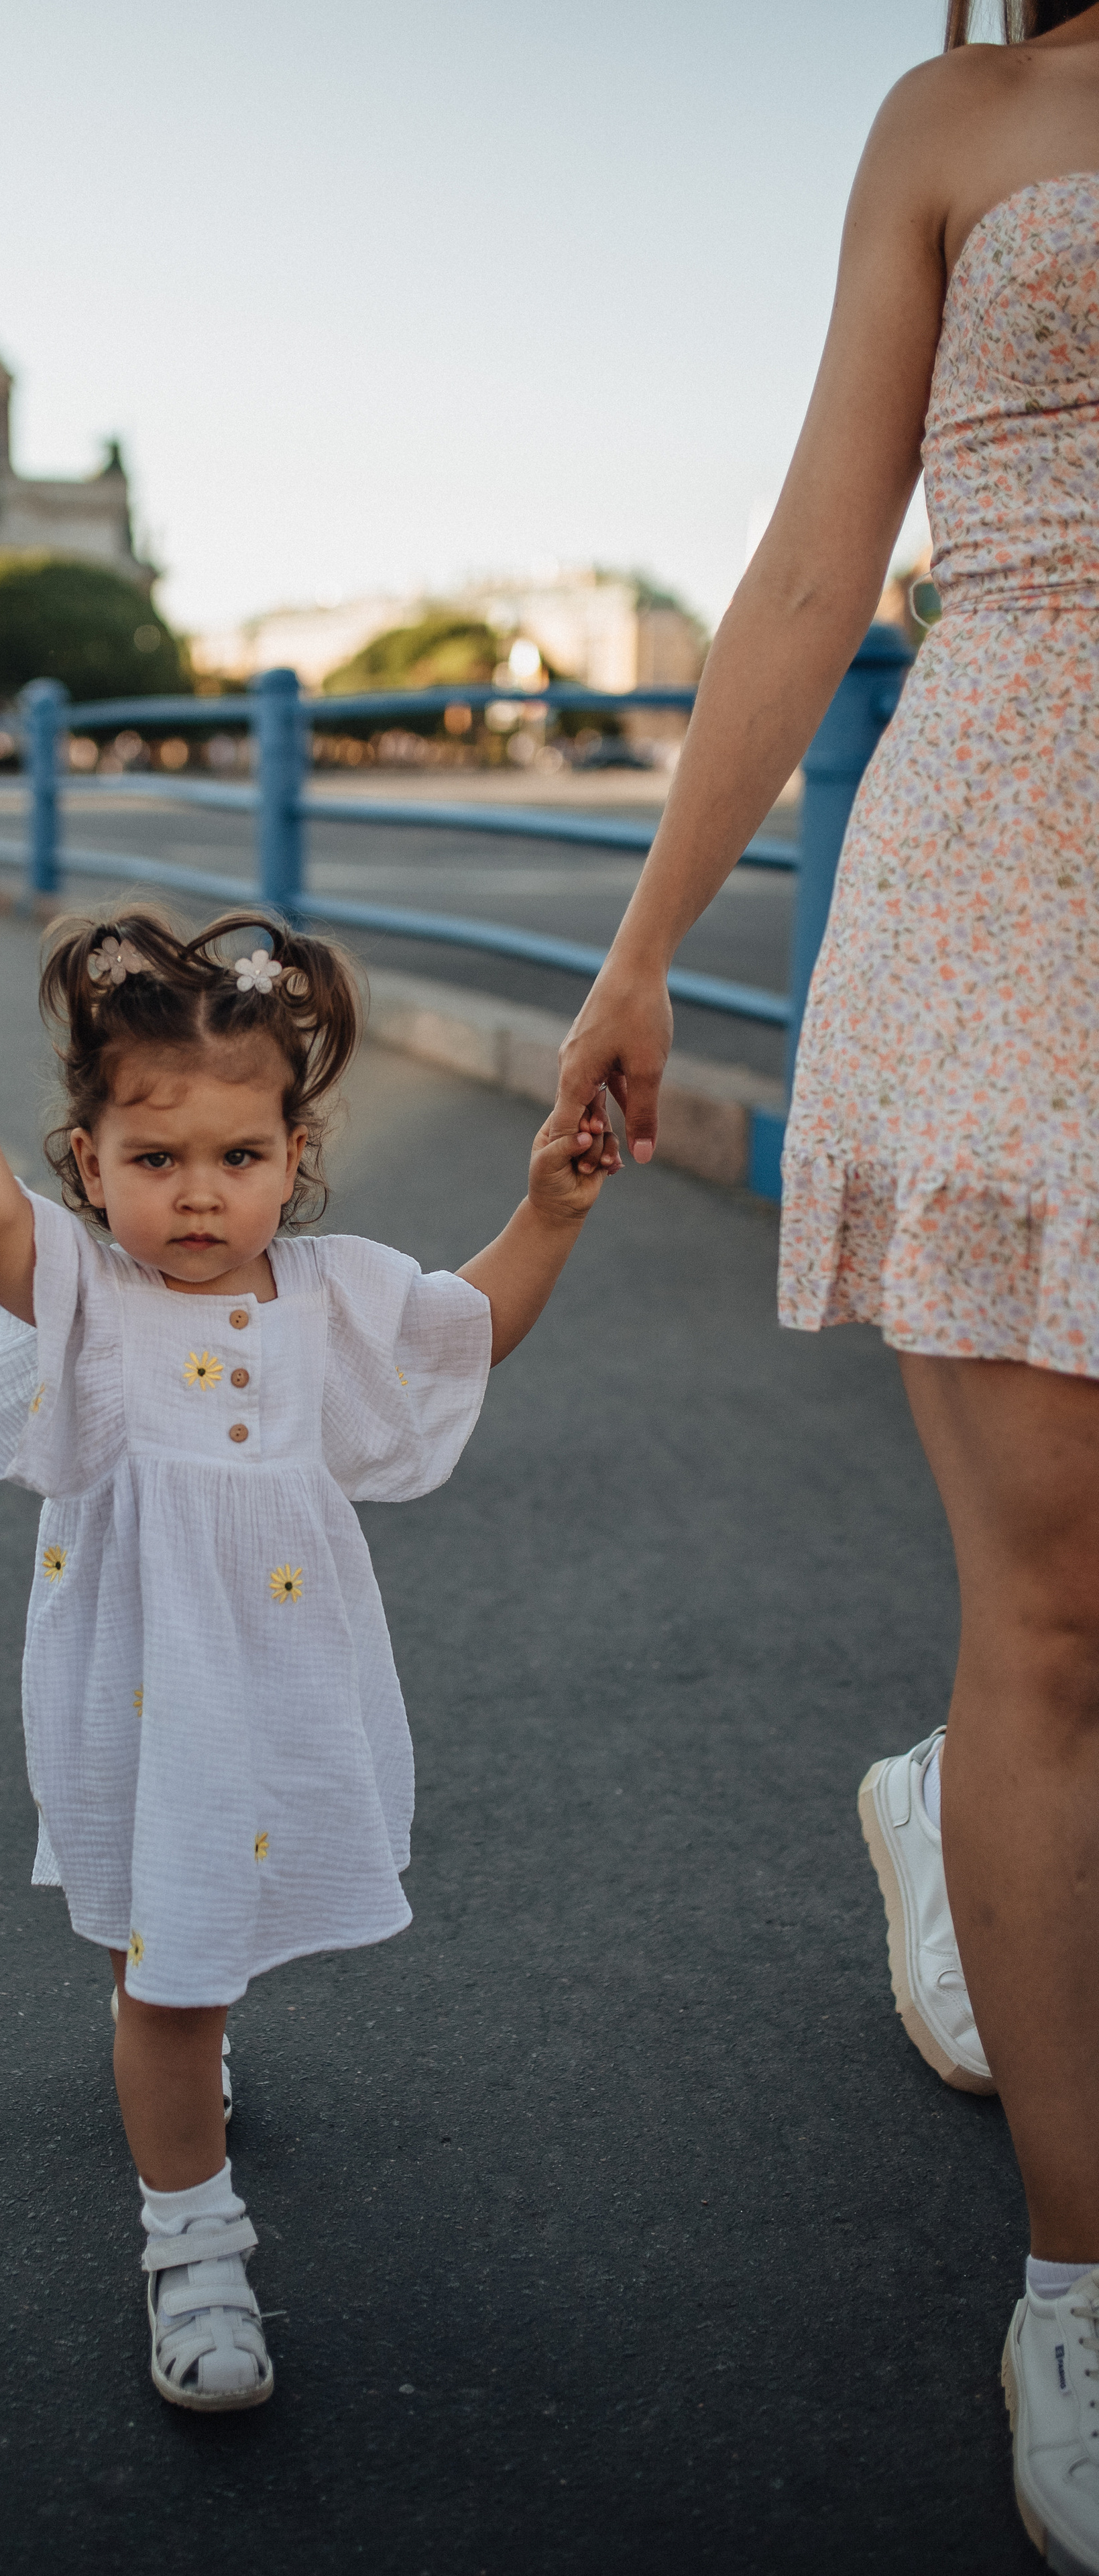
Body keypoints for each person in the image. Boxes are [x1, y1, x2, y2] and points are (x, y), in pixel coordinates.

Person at [549, 1, 1099, 2562]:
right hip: (1015, 883)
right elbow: (807, 559)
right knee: (1065, 1613)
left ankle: (946, 1818)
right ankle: (1082, 2283)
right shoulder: (962, 121)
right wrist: (647, 944)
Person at [0, 904, 616, 2408]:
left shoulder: (333, 1293)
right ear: (88, 1164)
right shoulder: (86, 1298)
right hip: (137, 1679)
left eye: (239, 1158)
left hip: (272, 1673)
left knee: (176, 1954)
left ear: (294, 1153)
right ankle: (191, 2241)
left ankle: (175, 2080)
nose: (199, 1197)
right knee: (162, 1964)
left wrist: (547, 1214)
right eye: (153, 1162)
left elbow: (462, 1332)